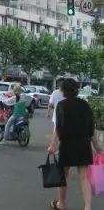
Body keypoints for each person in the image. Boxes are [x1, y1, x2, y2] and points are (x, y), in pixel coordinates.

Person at [47, 78, 102, 210]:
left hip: (67, 145)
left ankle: (61, 204)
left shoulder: (61, 105)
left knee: (63, 176)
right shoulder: (85, 105)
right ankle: (87, 207)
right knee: (84, 178)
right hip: (83, 144)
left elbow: (58, 128)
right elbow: (91, 128)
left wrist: (53, 144)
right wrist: (98, 146)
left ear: (62, 90)